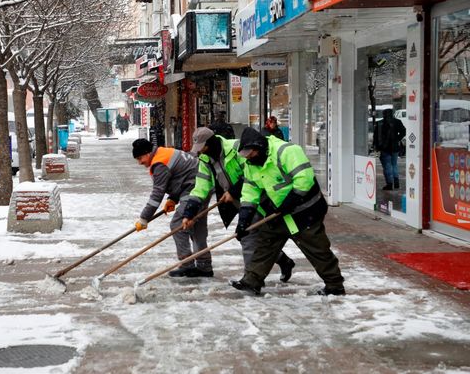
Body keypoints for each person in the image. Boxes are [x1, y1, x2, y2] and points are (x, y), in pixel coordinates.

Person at [230, 127, 345, 296]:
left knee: (317, 249)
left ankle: (334, 285)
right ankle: (252, 281)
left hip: (305, 211)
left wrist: (290, 202)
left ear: (259, 147)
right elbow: (250, 191)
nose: (248, 159)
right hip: (278, 212)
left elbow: (304, 179)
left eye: (250, 154)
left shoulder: (287, 151)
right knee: (265, 245)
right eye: (245, 156)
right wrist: (244, 219)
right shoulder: (251, 164)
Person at [181, 127, 295, 281]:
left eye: (203, 147)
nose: (201, 152)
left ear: (211, 142)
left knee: (248, 235)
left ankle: (251, 279)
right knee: (256, 235)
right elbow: (200, 188)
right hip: (241, 202)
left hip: (259, 198)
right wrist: (189, 213)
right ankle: (282, 261)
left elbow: (253, 174)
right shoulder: (205, 160)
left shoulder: (238, 149)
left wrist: (233, 192)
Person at [132, 138, 213, 277]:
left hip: (195, 189)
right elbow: (180, 176)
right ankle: (204, 266)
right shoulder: (163, 152)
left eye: (140, 158)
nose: (140, 162)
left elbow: (156, 195)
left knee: (178, 224)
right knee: (195, 226)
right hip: (201, 184)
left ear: (148, 153)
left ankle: (187, 264)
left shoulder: (159, 164)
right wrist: (173, 198)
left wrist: (144, 218)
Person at [374, 108, 406, 190]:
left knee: (387, 165)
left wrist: (376, 146)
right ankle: (396, 182)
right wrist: (397, 139)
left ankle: (389, 183)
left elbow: (376, 137)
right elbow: (403, 131)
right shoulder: (397, 122)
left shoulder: (380, 123)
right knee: (394, 164)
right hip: (395, 147)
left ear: (384, 114)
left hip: (384, 148)